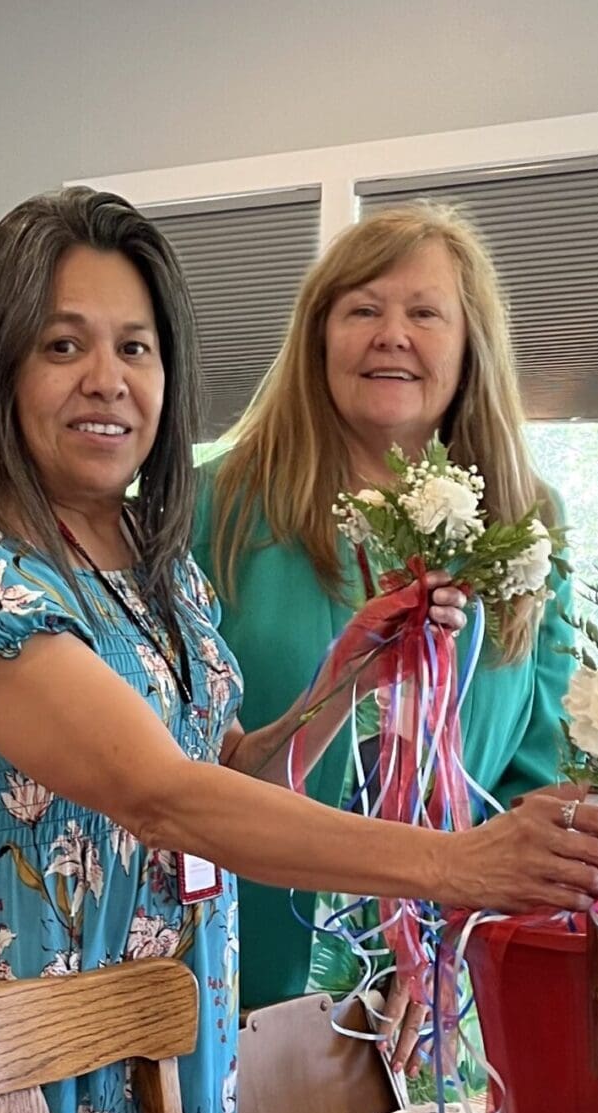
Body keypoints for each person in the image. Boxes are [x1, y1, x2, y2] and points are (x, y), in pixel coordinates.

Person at [0, 188, 598, 1113]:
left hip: (173, 1024)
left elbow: (222, 765)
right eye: (62, 345)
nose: (107, 378)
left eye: (135, 346)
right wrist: (455, 865)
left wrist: (338, 686)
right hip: (24, 1037)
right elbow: (162, 796)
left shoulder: (149, 556)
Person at [195, 202, 577, 1035]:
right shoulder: (210, 510)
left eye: (425, 312)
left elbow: (536, 778)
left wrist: (453, 934)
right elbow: (171, 771)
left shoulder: (528, 520)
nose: (391, 335)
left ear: (469, 343)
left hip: (444, 992)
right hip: (245, 980)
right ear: (318, 336)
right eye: (362, 309)